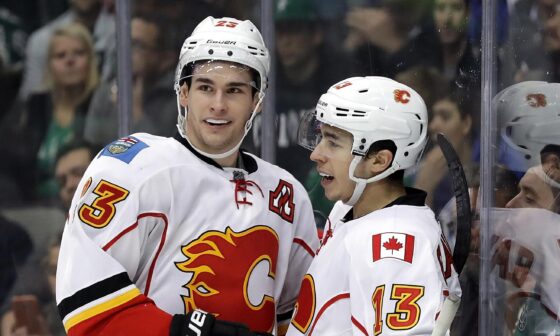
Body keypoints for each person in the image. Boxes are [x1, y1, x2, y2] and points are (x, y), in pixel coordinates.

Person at [56, 16, 319, 336]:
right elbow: (86, 309)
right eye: (205, 87)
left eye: (234, 90)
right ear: (183, 93)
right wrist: (191, 331)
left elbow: (300, 319)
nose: (218, 105)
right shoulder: (132, 168)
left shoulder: (286, 194)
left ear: (257, 102)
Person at [287, 76, 461, 334]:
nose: (316, 154)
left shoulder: (395, 246)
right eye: (321, 137)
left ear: (379, 161)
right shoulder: (353, 209)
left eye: (333, 142)